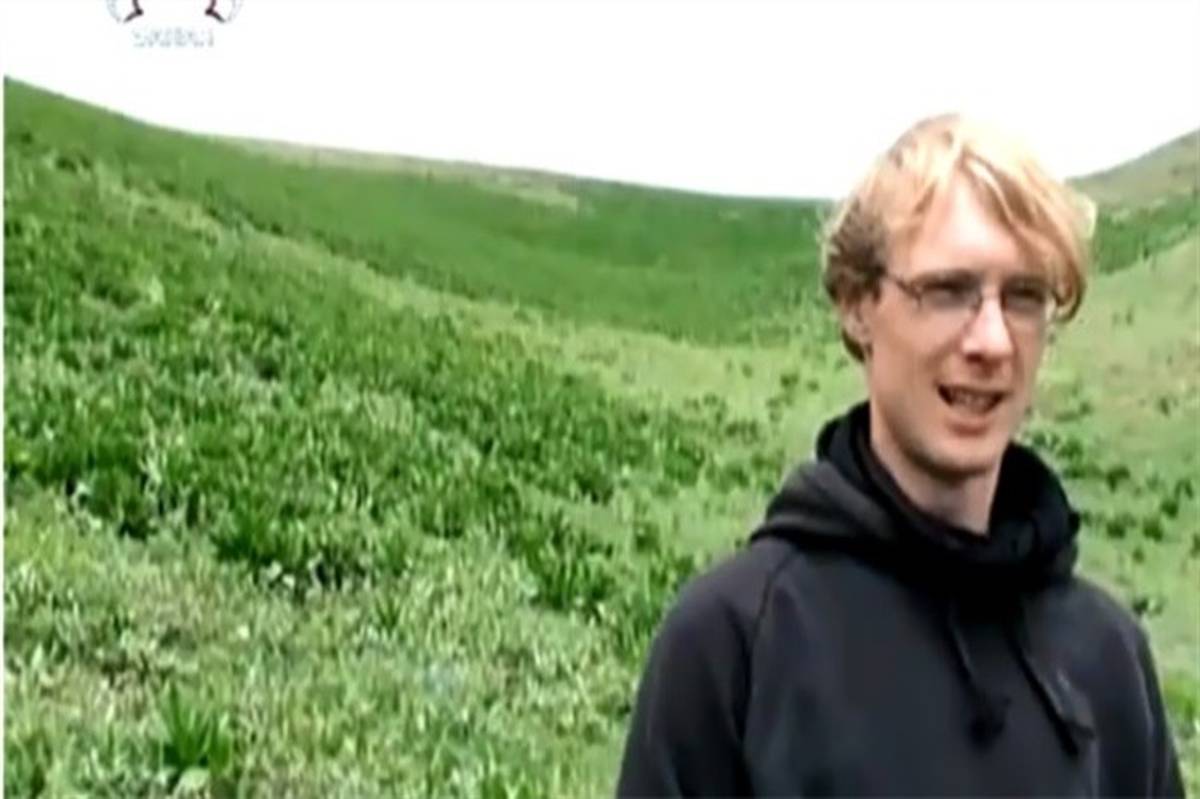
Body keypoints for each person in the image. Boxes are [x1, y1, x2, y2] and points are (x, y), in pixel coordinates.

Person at [615, 113, 1184, 797]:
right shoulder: (737, 643)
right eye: (947, 291)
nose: (992, 341)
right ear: (858, 306)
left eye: (1024, 297)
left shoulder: (1108, 659)